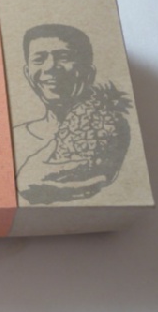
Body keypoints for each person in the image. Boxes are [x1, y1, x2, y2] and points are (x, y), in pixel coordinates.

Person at [15, 24, 108, 203]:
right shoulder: (12, 137)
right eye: (39, 59)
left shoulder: (108, 136)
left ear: (88, 73)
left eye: (64, 57)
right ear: (27, 73)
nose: (50, 66)